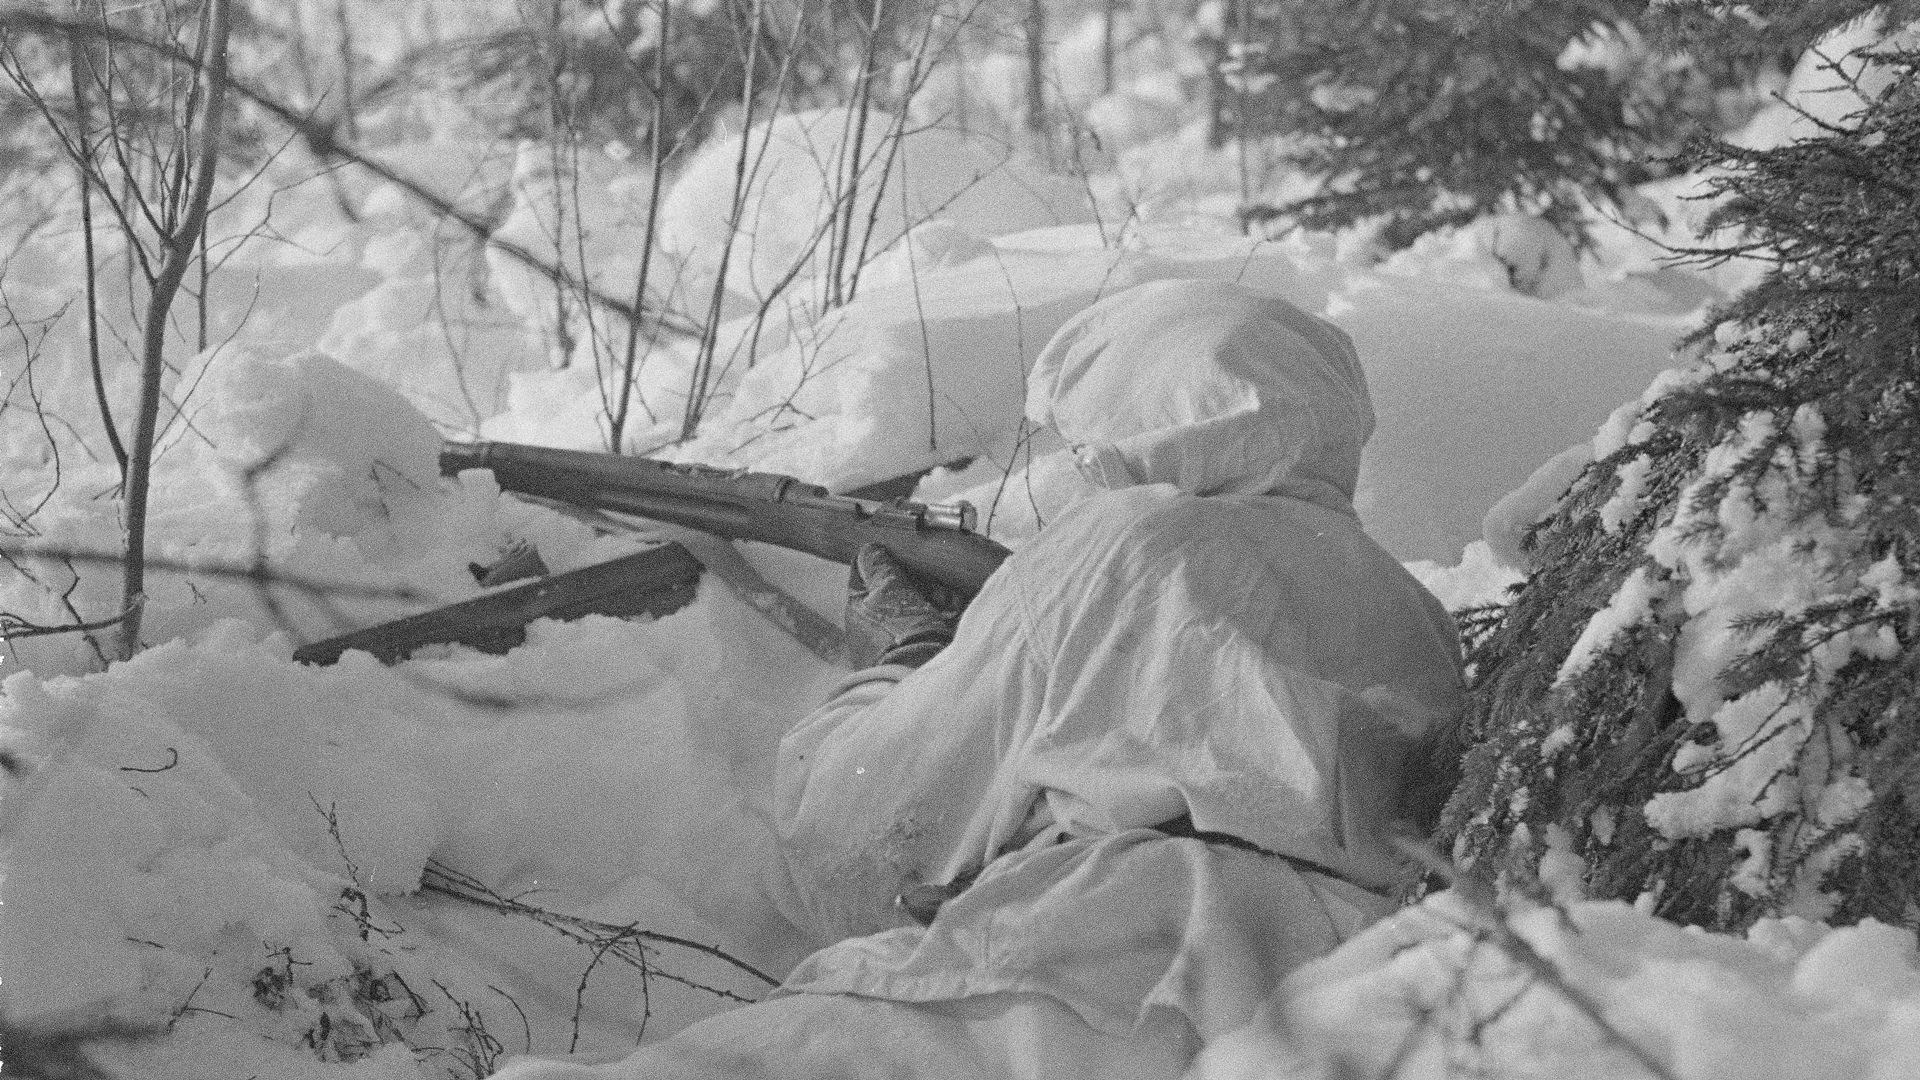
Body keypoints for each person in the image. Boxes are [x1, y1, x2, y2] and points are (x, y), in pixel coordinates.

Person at [494, 278, 1464, 1079]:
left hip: (1104, 963)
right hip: (1361, 993)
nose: (1082, 467)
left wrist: (903, 661)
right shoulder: (1411, 606)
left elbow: (860, 838)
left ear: (1152, 423)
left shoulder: (1133, 540)